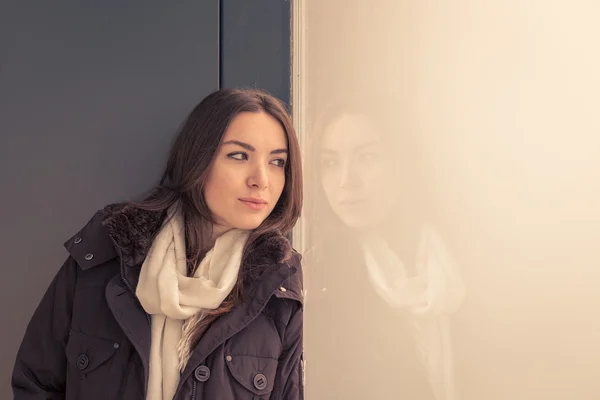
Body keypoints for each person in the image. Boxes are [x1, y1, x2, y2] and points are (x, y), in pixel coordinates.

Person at [11, 88, 304, 400]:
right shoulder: (107, 253)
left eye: (277, 161)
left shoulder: (278, 284)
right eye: (238, 156)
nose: (262, 179)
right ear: (198, 159)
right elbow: (35, 383)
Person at [303, 99, 465, 400]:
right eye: (330, 163)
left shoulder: (466, 262)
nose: (346, 181)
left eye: (367, 157)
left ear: (402, 162)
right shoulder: (314, 282)